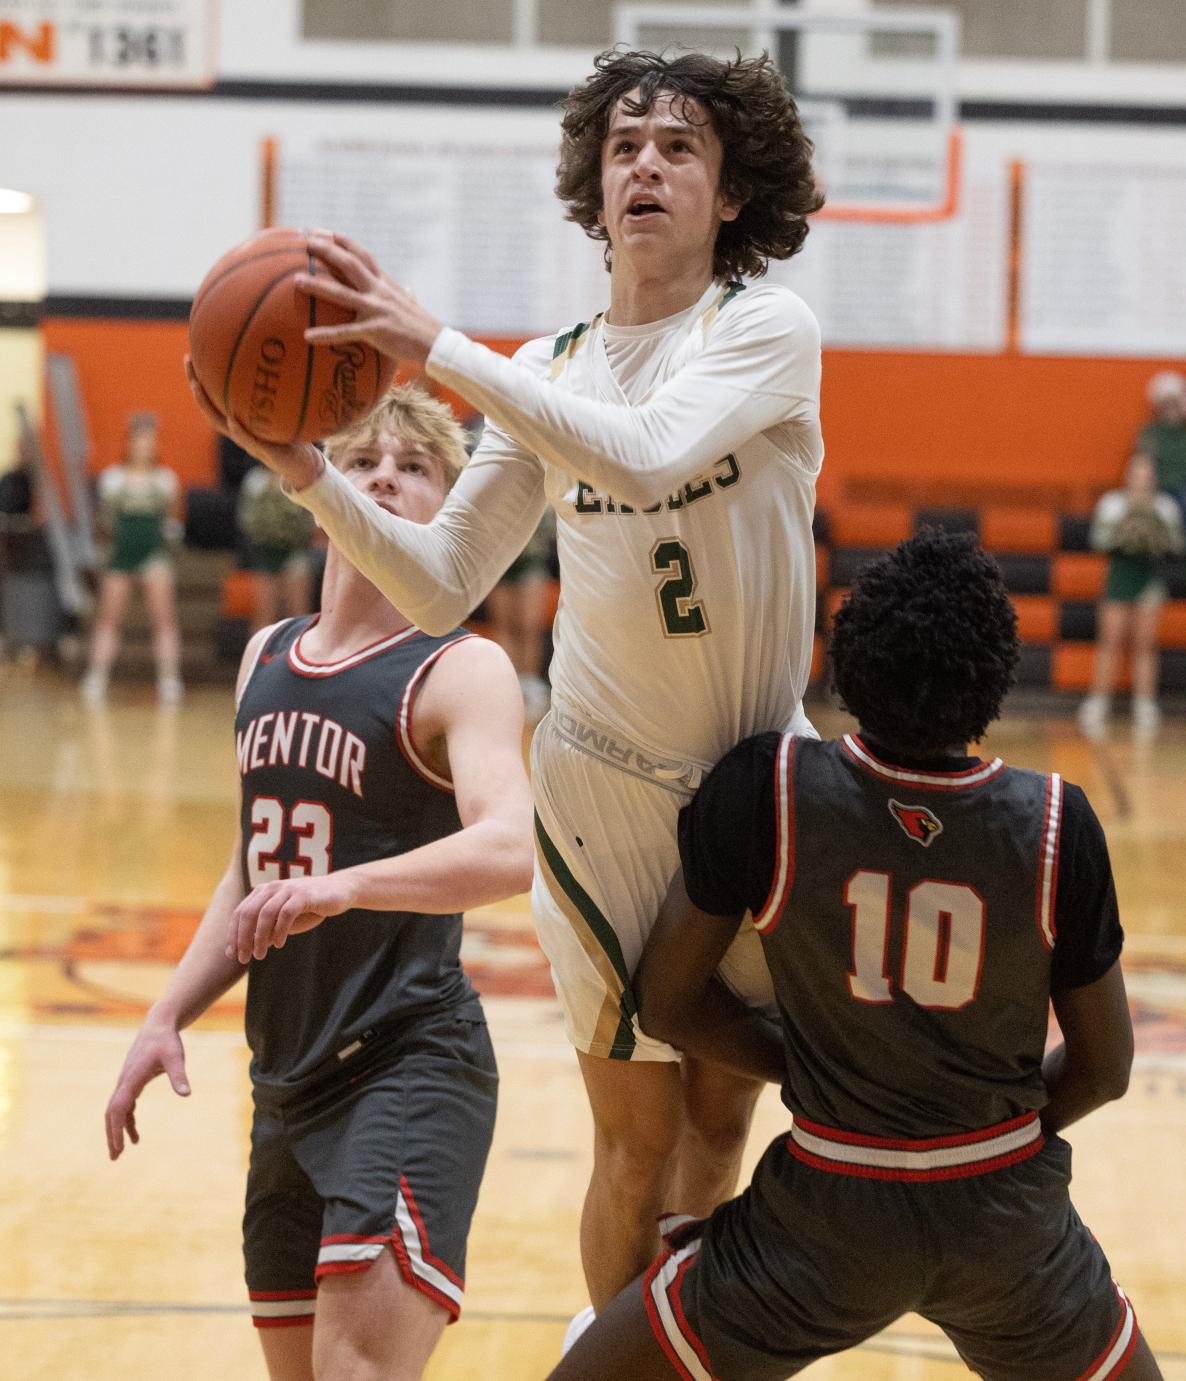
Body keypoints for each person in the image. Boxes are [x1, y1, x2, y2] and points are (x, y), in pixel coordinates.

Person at [186, 46, 825, 1323]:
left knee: (720, 1124)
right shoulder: (553, 364)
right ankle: (625, 1355)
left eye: (681, 147)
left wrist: (439, 350)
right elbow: (439, 583)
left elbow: (644, 456)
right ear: (595, 184)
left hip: (760, 775)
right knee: (637, 1143)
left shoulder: (763, 329)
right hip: (603, 791)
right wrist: (307, 471)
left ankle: (679, 1345)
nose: (647, 163)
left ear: (732, 190)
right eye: (625, 145)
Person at [551, 528, 1162, 1381]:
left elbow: (669, 1002)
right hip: (1003, 1216)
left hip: (824, 1211)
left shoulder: (768, 788)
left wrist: (806, 1075)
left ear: (851, 655)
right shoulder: (1058, 822)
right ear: (994, 676)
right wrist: (991, 1131)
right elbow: (1107, 1068)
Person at [104, 385, 534, 1381]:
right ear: (321, 485)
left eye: (416, 465)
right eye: (367, 456)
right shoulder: (268, 652)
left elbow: (511, 848)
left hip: (404, 1059)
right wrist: (166, 1010)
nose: (386, 472)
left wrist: (345, 888)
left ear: (448, 515)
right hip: (284, 1075)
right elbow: (255, 868)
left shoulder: (459, 667)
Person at [1078, 451, 1186, 741]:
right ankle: (1099, 702)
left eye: (1146, 476)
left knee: (1145, 644)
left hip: (1149, 579)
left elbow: (1178, 544)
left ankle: (1144, 704)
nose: (1141, 481)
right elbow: (1097, 541)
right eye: (1136, 475)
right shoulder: (1112, 504)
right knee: (1110, 640)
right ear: (1128, 476)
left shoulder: (1165, 506)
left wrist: (1155, 532)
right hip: (1118, 577)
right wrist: (1124, 532)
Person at [81, 412, 184, 704]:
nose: (144, 445)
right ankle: (97, 677)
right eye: (139, 439)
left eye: (150, 439)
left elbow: (172, 519)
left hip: (155, 556)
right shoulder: (113, 479)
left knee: (164, 619)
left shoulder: (166, 481)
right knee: (108, 619)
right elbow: (106, 520)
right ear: (130, 442)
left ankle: (169, 679)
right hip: (122, 554)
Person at [487, 506, 555, 722]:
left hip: (531, 558)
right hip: (500, 559)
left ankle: (531, 686)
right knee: (504, 625)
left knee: (529, 626)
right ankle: (510, 685)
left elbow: (551, 521)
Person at [237, 463, 319, 633]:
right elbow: (247, 519)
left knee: (298, 615)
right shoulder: (255, 480)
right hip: (265, 552)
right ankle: (259, 656)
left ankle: (297, 652)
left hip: (295, 551)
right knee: (264, 614)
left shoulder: (300, 475)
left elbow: (311, 516)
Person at [1137, 370, 1186, 552]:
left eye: (1174, 404)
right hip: (1155, 486)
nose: (1170, 409)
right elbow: (1144, 464)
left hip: (1184, 489)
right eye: (1166, 404)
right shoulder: (1150, 432)